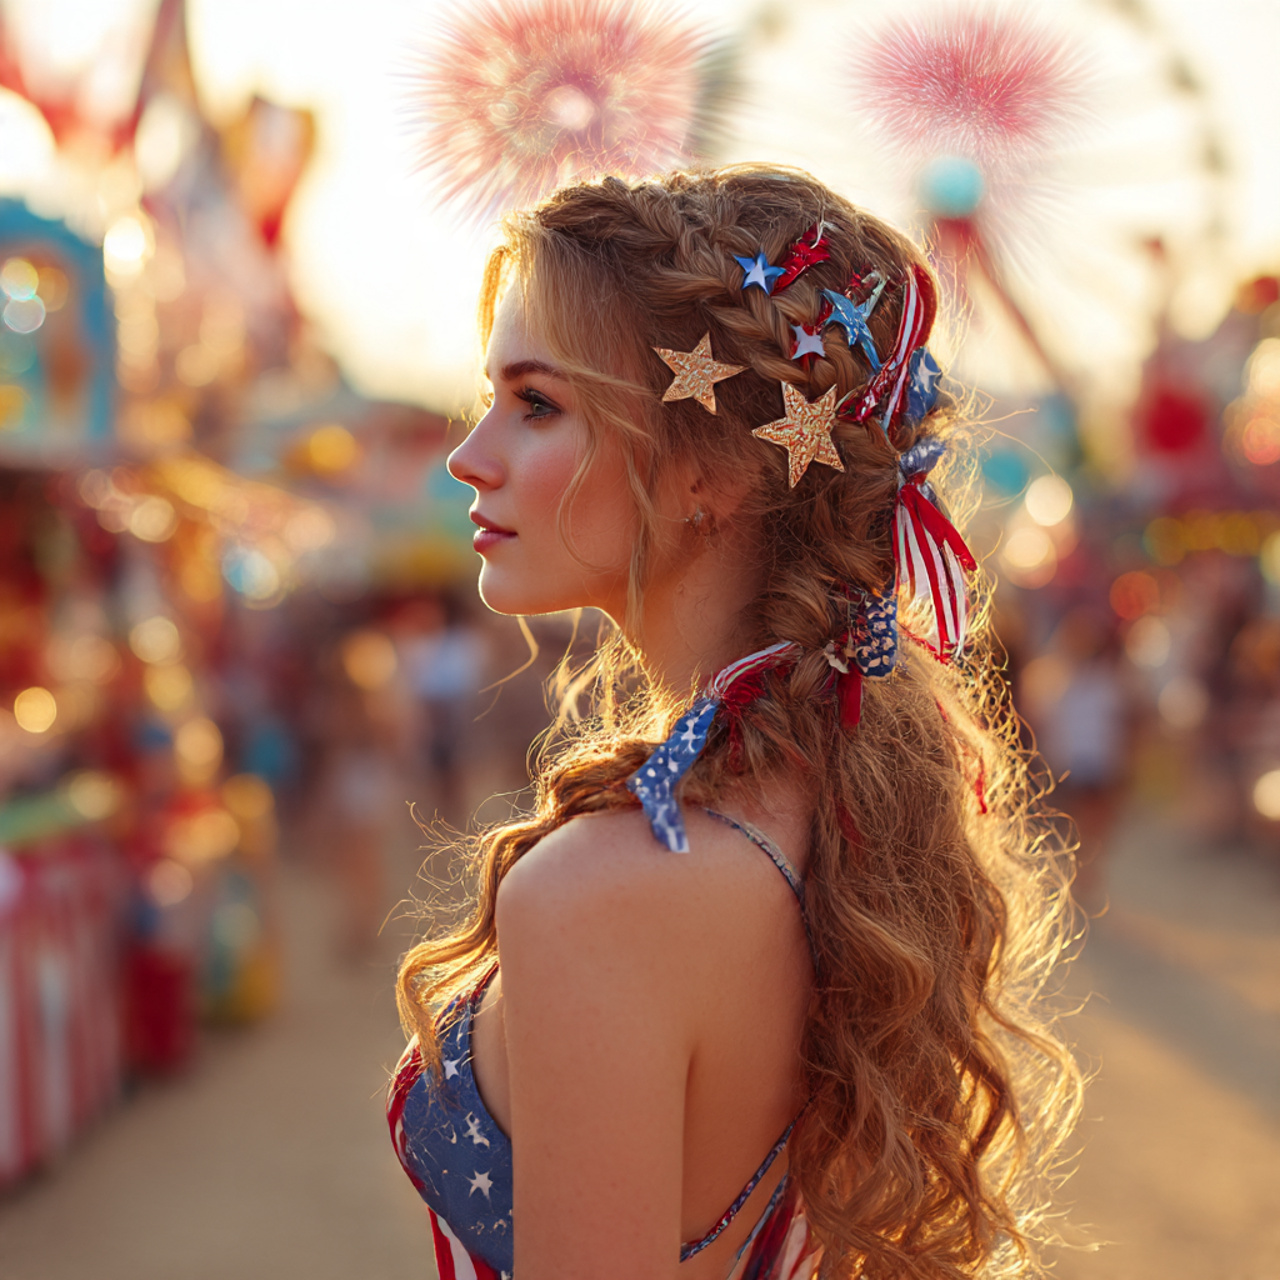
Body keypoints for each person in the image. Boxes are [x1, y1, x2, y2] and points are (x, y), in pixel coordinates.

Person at [388, 167, 1080, 1280]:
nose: (469, 455)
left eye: (535, 403)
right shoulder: (845, 805)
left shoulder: (597, 895)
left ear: (709, 467)